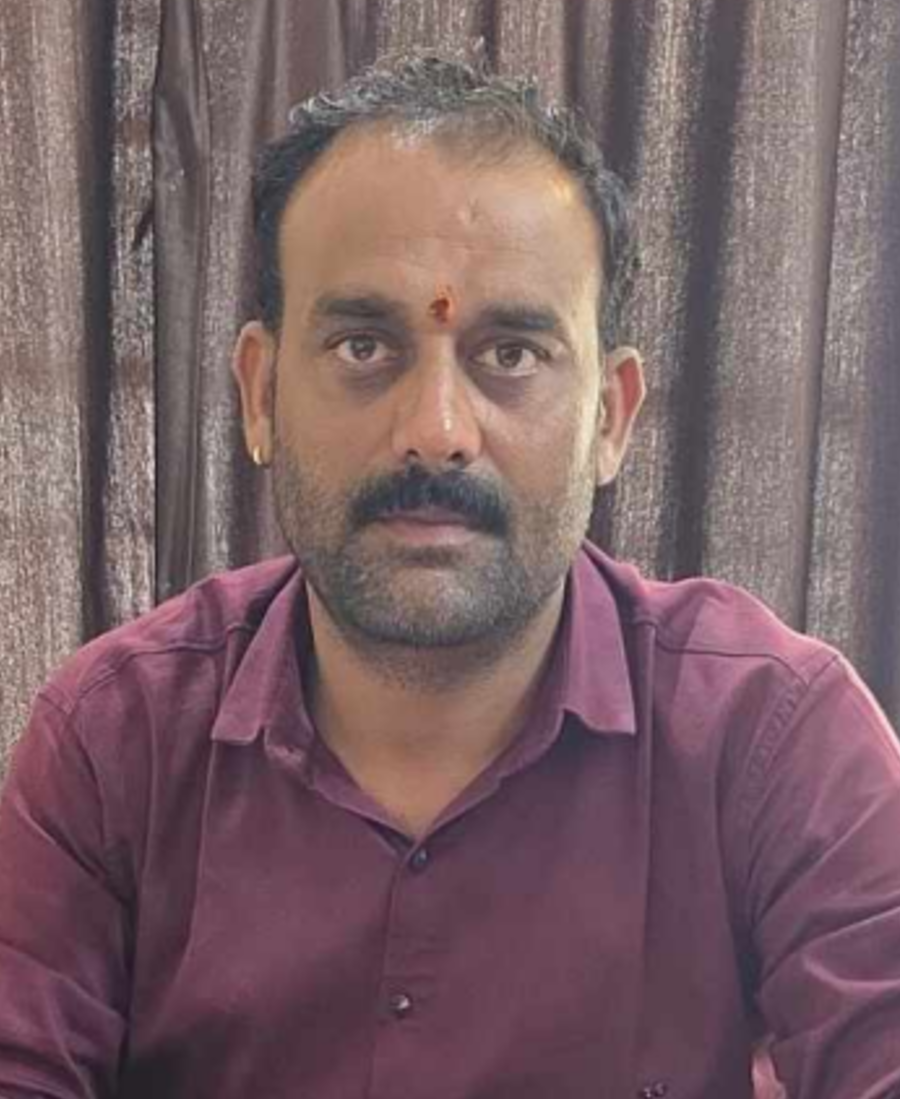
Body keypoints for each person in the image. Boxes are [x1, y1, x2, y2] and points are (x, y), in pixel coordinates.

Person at [1, 52, 899, 1099]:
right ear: (259, 394)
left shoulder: (772, 735)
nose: (435, 431)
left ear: (611, 418)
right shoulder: (116, 740)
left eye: (511, 353)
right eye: (362, 346)